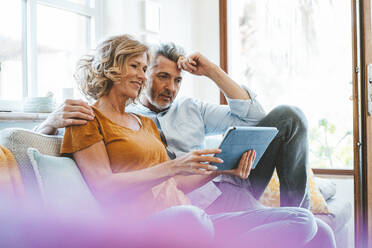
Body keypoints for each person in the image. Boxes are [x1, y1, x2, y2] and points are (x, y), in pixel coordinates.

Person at [55, 34, 334, 247]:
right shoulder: (89, 117)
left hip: (205, 202)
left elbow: (252, 117)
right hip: (181, 215)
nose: (143, 77)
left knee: (307, 221)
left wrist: (223, 168)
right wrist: (49, 121)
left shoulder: (148, 123)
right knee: (192, 219)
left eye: (177, 80)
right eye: (140, 69)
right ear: (113, 68)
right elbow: (103, 184)